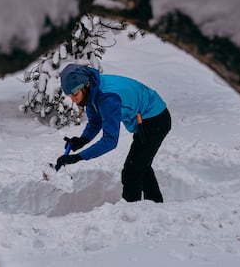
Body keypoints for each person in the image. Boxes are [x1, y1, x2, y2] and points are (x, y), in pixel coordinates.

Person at [56, 64, 171, 202]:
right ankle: (155, 205)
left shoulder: (107, 98)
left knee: (131, 172)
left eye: (75, 94)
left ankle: (131, 215)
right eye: (70, 96)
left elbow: (110, 140)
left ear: (86, 85)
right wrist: (82, 140)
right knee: (141, 165)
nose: (73, 100)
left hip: (155, 120)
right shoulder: (92, 91)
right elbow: (95, 121)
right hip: (145, 117)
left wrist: (78, 157)